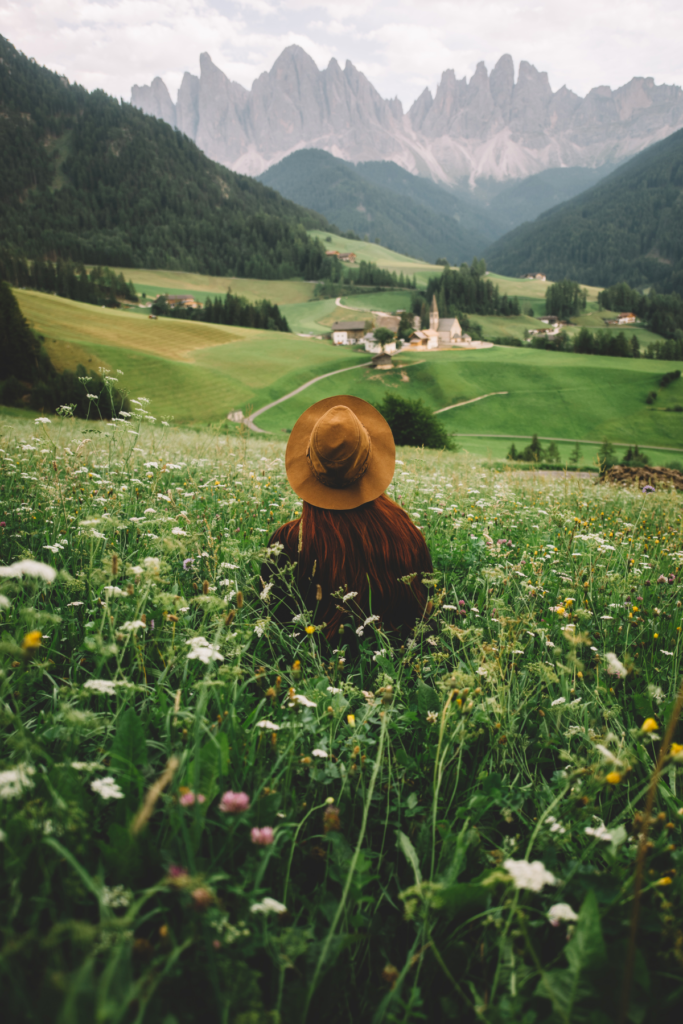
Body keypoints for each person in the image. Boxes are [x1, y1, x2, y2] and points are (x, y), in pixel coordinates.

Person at [261, 395, 432, 645]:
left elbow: (274, 617)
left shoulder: (287, 541)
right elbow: (423, 602)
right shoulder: (407, 534)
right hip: (401, 659)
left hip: (315, 666)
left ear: (309, 465)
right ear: (370, 459)